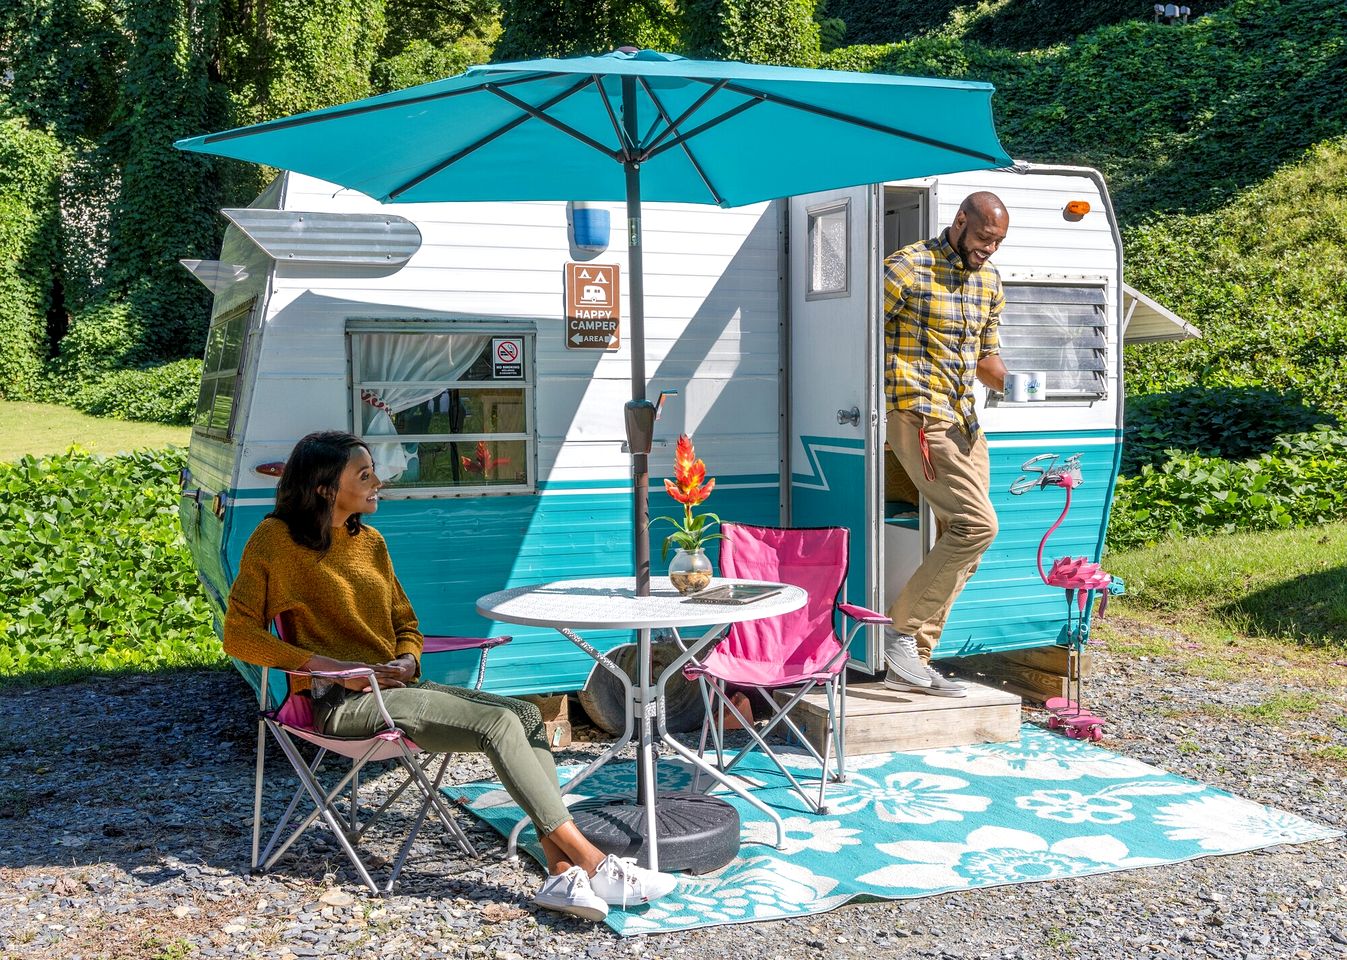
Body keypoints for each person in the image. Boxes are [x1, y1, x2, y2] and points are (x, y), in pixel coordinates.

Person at [223, 430, 677, 920]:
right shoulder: (276, 542)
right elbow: (239, 636)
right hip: (338, 703)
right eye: (365, 474)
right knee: (497, 724)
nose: (379, 483)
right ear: (324, 487)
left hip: (395, 688)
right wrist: (333, 670)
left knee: (525, 715)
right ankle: (593, 862)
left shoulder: (370, 542)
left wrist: (408, 659)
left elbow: (406, 623)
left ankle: (560, 873)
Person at [880, 192, 1009, 698]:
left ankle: (913, 658)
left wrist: (1013, 382)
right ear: (959, 221)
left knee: (966, 543)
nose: (989, 249)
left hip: (965, 421)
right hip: (919, 416)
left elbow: (987, 358)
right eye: (983, 238)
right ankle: (898, 634)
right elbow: (854, 334)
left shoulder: (989, 281)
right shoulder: (907, 268)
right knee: (978, 525)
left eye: (997, 242)